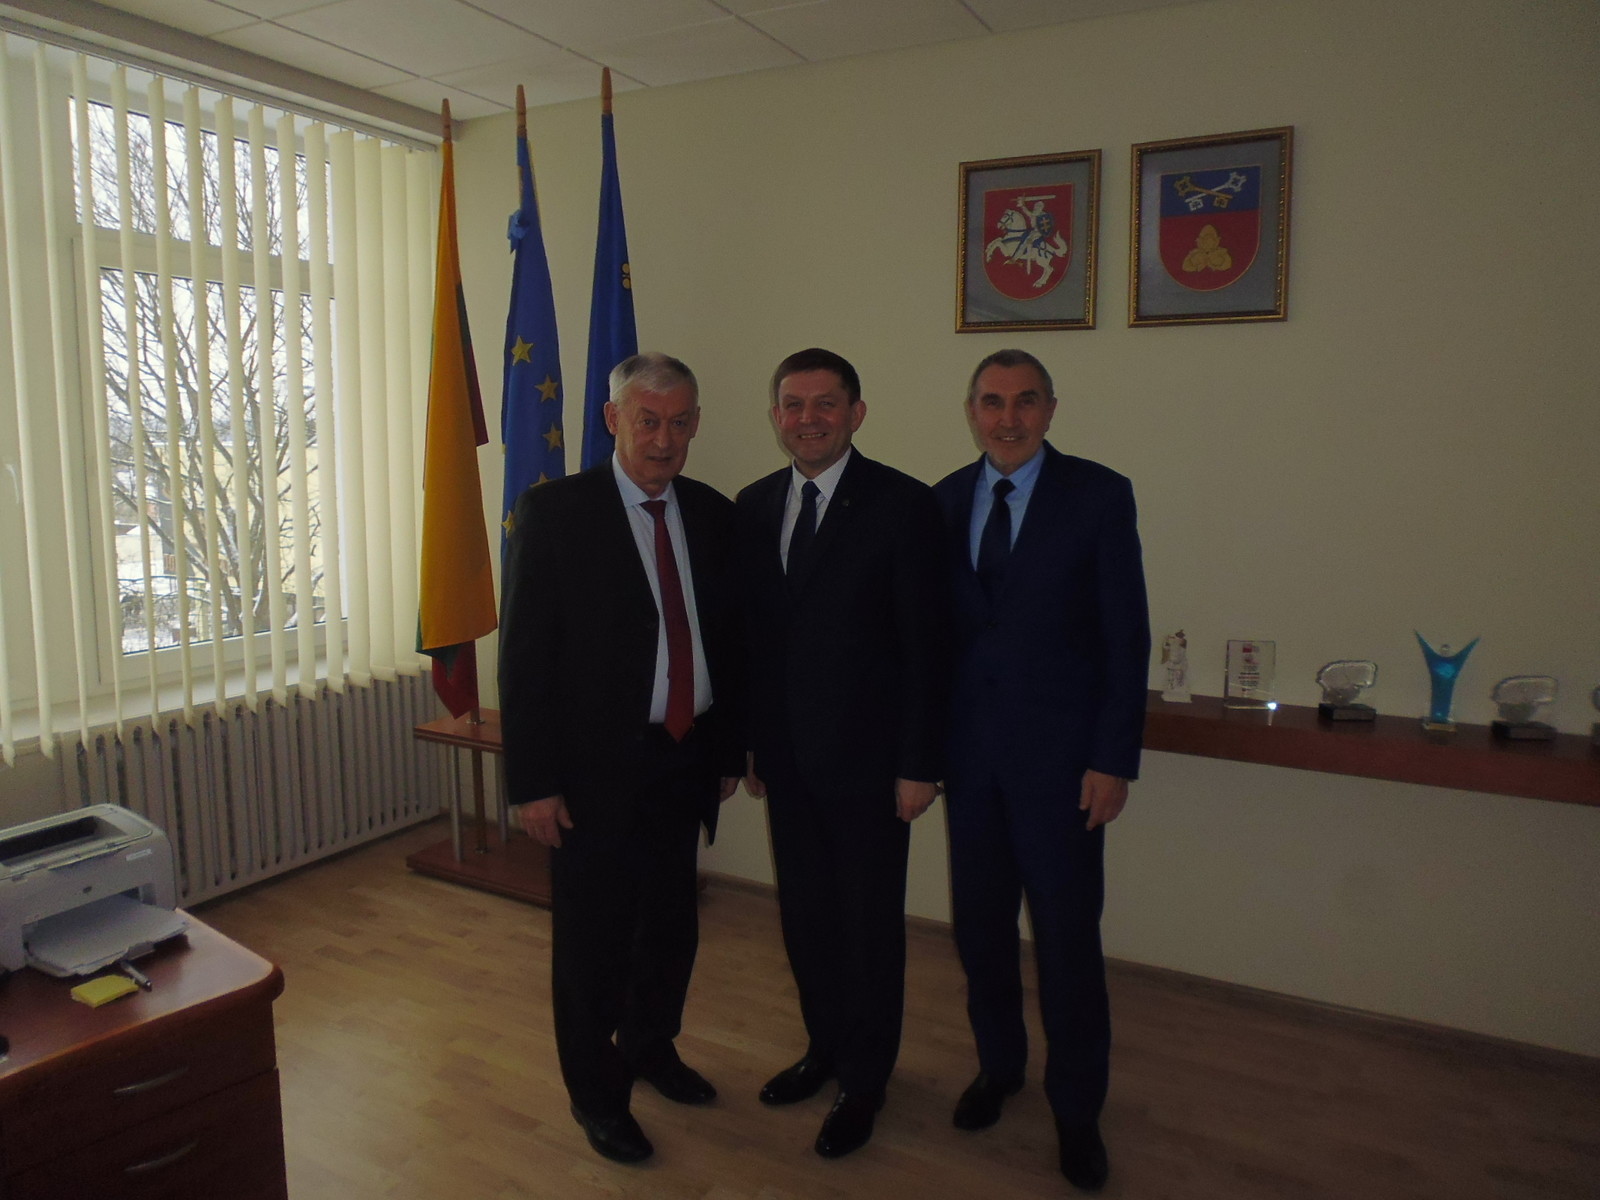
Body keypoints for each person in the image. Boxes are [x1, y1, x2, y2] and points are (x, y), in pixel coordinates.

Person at [499, 352, 743, 1166]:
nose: (664, 439)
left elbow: (726, 642)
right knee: (592, 944)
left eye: (679, 422)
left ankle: (651, 1047)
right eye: (648, 420)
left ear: (695, 424)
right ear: (613, 420)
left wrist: (727, 749)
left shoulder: (711, 514)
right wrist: (534, 783)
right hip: (593, 773)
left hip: (683, 756)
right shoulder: (555, 514)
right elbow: (525, 660)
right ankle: (596, 1096)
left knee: (670, 927)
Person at [933, 349, 1150, 1193]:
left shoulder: (1098, 495)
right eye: (992, 402)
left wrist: (1112, 759)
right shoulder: (944, 500)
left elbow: (1125, 636)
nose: (1008, 418)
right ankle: (999, 1068)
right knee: (980, 933)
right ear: (972, 411)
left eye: (1025, 401)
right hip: (971, 767)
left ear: (1051, 409)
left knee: (1066, 945)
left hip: (1064, 772)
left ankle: (1077, 1110)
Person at [736, 347, 947, 1159]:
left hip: (872, 767)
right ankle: (823, 1048)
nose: (809, 419)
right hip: (787, 762)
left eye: (826, 404)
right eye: (793, 405)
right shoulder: (755, 505)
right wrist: (752, 744)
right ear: (776, 416)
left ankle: (865, 1080)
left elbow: (927, 648)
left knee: (867, 928)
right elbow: (756, 643)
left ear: (856, 413)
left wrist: (920, 764)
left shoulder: (904, 505)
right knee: (806, 919)